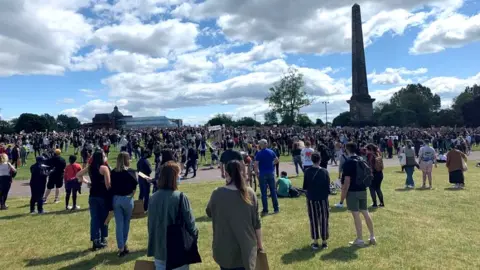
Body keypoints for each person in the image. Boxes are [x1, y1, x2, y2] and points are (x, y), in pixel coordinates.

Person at [206, 160, 263, 270]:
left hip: (224, 247)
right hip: (246, 248)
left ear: (226, 174)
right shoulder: (250, 193)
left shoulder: (217, 193)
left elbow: (209, 212)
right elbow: (257, 223)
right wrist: (260, 246)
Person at [148, 161, 198, 270]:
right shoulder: (180, 197)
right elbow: (191, 224)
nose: (180, 177)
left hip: (159, 249)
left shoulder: (153, 198)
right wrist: (193, 237)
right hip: (178, 249)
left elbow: (150, 224)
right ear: (174, 177)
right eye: (179, 174)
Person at [339, 142, 376, 247]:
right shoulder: (362, 159)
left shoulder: (348, 163)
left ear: (347, 149)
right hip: (363, 189)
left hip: (353, 191)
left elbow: (346, 182)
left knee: (356, 215)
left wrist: (342, 198)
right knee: (365, 212)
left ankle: (360, 239)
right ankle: (372, 236)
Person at [77, 150, 111, 250]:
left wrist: (87, 183)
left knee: (95, 218)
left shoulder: (90, 167)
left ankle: (96, 240)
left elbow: (78, 175)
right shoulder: (104, 168)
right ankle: (103, 238)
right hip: (103, 195)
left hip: (93, 195)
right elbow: (108, 185)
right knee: (104, 218)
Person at [111, 152, 138, 257]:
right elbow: (135, 187)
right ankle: (124, 244)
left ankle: (121, 247)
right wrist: (132, 195)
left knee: (119, 224)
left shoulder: (113, 172)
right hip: (127, 198)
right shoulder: (130, 172)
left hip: (116, 198)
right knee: (126, 223)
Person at [303, 152, 330, 250]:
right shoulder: (325, 171)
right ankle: (324, 241)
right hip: (323, 198)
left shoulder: (307, 171)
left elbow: (305, 186)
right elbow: (328, 187)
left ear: (311, 160)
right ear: (320, 160)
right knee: (324, 219)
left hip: (312, 198)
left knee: (314, 219)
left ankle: (315, 241)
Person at [254, 139, 279, 216]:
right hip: (271, 173)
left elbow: (256, 164)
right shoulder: (271, 151)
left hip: (263, 173)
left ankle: (265, 210)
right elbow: (277, 160)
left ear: (261, 145)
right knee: (273, 191)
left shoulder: (259, 153)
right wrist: (272, 164)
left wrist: (256, 173)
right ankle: (276, 208)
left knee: (264, 193)